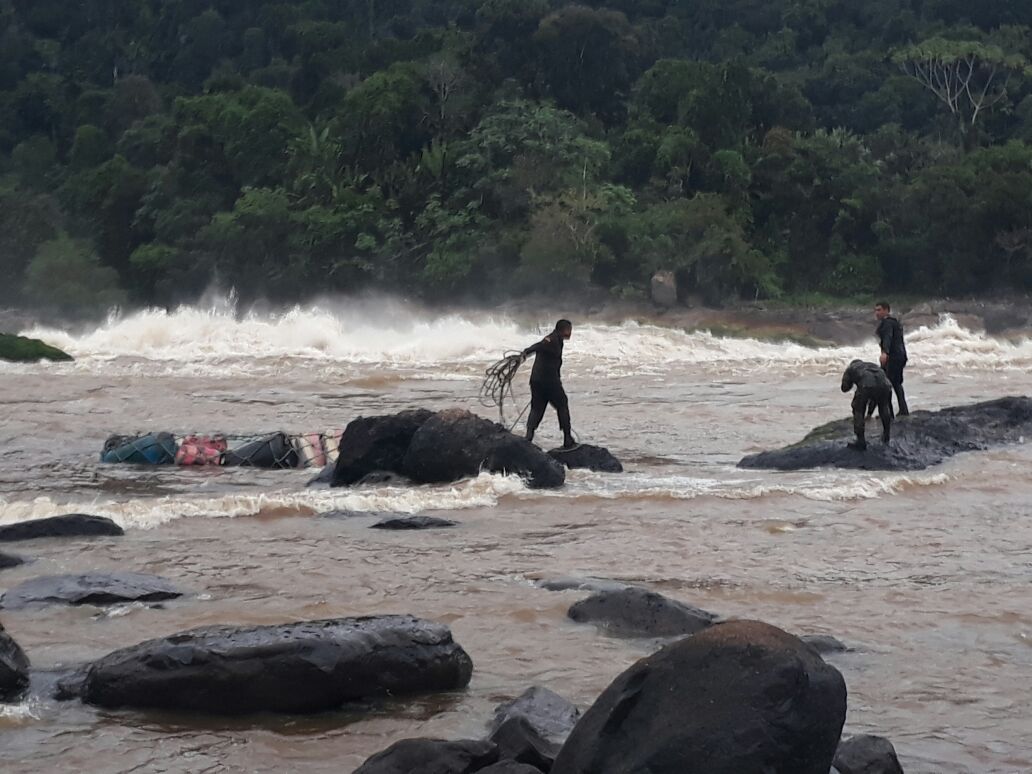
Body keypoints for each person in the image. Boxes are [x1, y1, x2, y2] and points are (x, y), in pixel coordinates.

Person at [522, 319, 575, 448]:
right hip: (549, 381)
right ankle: (567, 439)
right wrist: (525, 353)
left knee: (537, 408)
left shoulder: (556, 339)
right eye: (569, 330)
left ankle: (528, 437)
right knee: (562, 404)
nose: (570, 333)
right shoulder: (551, 340)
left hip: (537, 380)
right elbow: (538, 346)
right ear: (564, 330)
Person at [842, 359, 893, 451]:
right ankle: (886, 436)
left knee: (857, 409)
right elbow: (874, 398)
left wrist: (853, 380)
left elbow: (844, 388)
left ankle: (861, 442)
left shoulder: (851, 368)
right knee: (884, 406)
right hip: (886, 384)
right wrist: (869, 413)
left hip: (866, 385)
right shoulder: (872, 365)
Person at [875, 301, 909, 416]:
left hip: (893, 357)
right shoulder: (894, 322)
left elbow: (888, 338)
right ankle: (903, 410)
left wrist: (885, 352)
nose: (876, 313)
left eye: (879, 310)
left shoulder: (888, 323)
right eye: (876, 310)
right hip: (900, 356)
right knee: (895, 383)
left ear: (886, 310)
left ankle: (888, 412)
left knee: (885, 384)